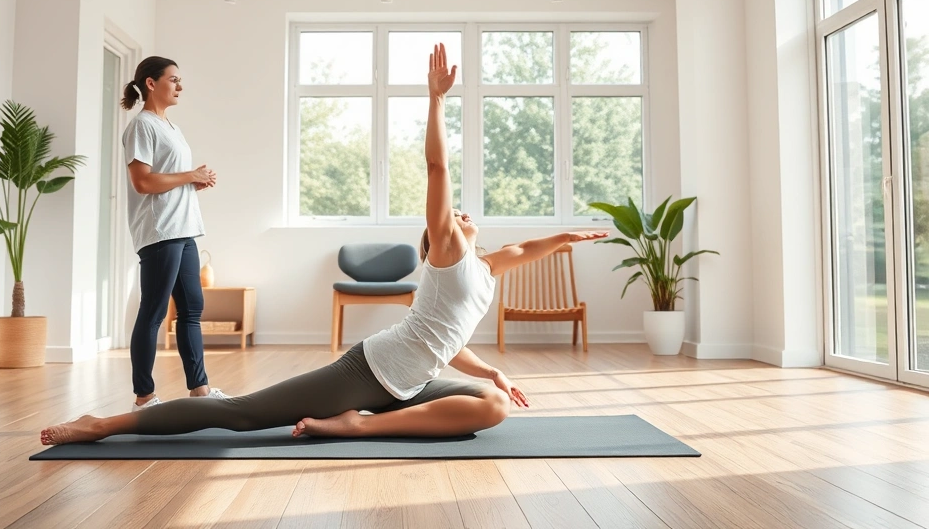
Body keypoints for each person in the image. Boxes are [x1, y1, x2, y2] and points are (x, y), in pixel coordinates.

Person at [40, 44, 607, 446]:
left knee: (495, 405)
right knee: (238, 415)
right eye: (452, 218)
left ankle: (363, 425)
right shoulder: (451, 254)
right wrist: (435, 101)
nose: (461, 215)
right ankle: (103, 424)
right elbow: (437, 168)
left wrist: (566, 239)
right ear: (438, 237)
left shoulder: (481, 269)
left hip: (409, 384)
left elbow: (461, 327)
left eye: (461, 217)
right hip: (368, 372)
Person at [118, 56, 228, 412]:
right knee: (153, 311)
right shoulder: (142, 126)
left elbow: (166, 180)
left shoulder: (172, 128)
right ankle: (144, 397)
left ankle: (200, 390)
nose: (179, 86)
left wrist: (193, 184)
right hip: (160, 231)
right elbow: (143, 181)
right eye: (174, 79)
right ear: (151, 83)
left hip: (185, 229)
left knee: (192, 309)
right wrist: (189, 176)